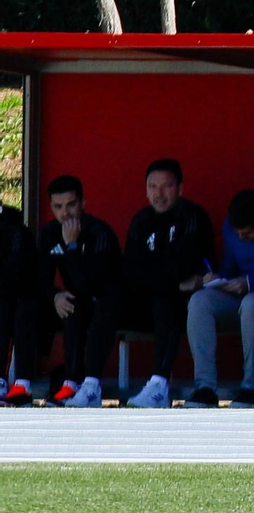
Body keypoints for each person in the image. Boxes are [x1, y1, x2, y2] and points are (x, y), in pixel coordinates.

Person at [184, 188, 254, 407]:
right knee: (199, 301)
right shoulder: (230, 227)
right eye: (237, 233)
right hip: (240, 294)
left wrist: (251, 282)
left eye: (247, 234)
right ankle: (204, 387)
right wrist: (218, 279)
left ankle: (250, 387)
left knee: (253, 303)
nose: (241, 238)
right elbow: (229, 268)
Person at [121, 158, 214, 408]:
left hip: (183, 304)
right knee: (106, 302)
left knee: (166, 302)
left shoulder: (192, 217)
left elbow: (185, 265)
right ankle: (86, 385)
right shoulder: (141, 221)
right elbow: (130, 271)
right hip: (148, 299)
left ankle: (158, 386)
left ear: (180, 188)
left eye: (167, 186)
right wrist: (172, 281)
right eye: (153, 186)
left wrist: (159, 276)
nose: (159, 194)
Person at [36, 174, 121, 408]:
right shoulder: (49, 233)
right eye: (58, 207)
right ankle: (66, 383)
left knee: (92, 303)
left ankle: (90, 386)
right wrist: (55, 295)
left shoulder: (98, 232)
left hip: (107, 301)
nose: (65, 213)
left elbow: (91, 284)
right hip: (76, 301)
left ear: (83, 203)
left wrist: (72, 245)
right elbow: (39, 279)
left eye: (71, 205)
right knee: (64, 304)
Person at [0, 201, 37, 406]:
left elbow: (19, 275)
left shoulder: (14, 230)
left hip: (18, 298)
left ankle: (11, 382)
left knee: (10, 306)